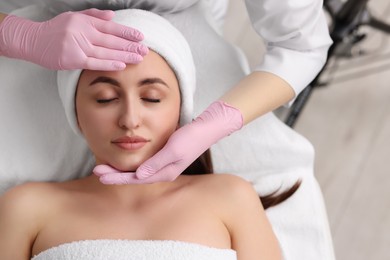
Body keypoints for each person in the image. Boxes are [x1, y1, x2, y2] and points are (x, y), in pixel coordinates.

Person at [0, 1, 335, 259]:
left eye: (152, 97)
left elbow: (300, 45)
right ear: (74, 110)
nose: (130, 119)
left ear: (180, 109)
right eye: (104, 98)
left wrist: (218, 121)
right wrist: (19, 34)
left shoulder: (231, 198)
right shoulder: (26, 207)